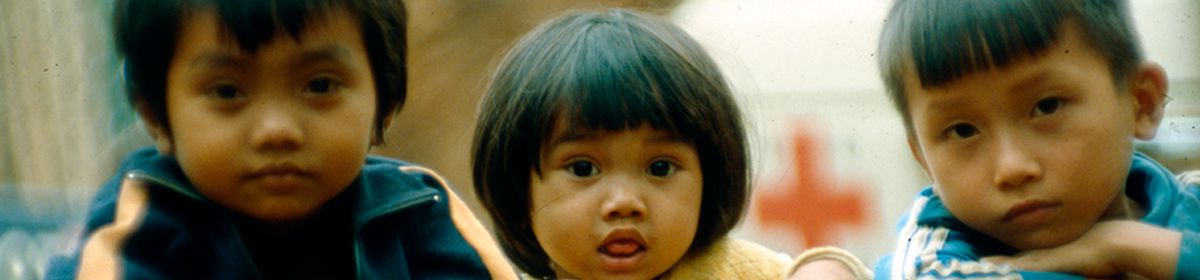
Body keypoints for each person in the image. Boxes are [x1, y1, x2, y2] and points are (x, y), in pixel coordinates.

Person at [44, 0, 517, 279]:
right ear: (155, 112)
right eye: (227, 92)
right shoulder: (143, 226)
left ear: (385, 101)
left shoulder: (418, 212)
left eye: (320, 86)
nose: (277, 130)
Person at [471, 9, 872, 280]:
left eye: (660, 168)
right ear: (519, 195)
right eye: (582, 168)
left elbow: (809, 269)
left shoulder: (725, 269)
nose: (625, 201)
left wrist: (826, 268)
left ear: (708, 181)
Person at [872, 0, 1199, 279]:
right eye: (963, 131)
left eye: (1047, 106)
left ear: (1141, 102)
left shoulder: (1192, 199)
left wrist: (1121, 245)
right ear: (922, 157)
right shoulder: (934, 250)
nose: (1012, 168)